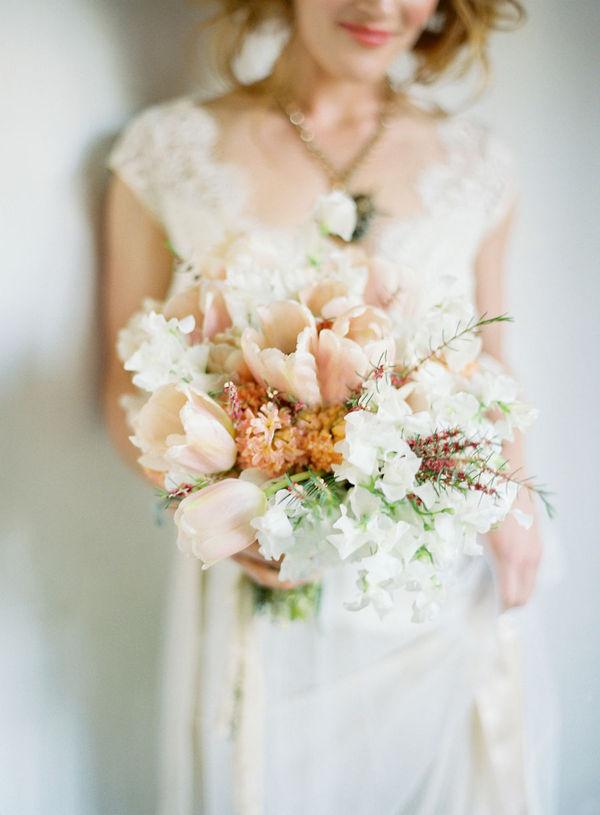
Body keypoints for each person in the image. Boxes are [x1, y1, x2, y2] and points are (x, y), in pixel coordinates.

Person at [102, 1, 555, 813]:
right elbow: (123, 388)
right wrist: (218, 509)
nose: (383, 6)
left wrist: (515, 502)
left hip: (432, 596)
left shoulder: (479, 166)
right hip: (259, 589)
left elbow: (492, 361)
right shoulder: (165, 153)